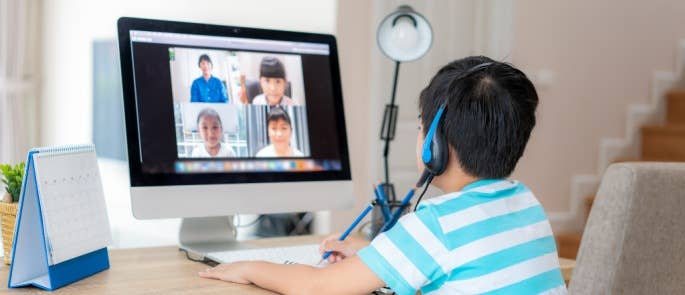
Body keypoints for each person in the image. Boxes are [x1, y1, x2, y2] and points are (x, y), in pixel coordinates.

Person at [198, 56, 567, 294]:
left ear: (435, 145)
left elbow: (317, 285)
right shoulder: (526, 202)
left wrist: (249, 267)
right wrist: (372, 255)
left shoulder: (435, 224)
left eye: (423, 126)